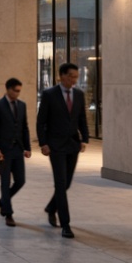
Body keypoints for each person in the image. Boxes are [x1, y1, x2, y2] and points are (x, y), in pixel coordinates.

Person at [36, 62, 90, 238]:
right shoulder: (49, 95)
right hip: (55, 146)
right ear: (61, 76)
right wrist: (43, 143)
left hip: (73, 145)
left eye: (76, 77)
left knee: (66, 183)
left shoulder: (79, 95)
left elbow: (82, 118)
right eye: (71, 76)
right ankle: (66, 224)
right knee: (60, 183)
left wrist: (85, 139)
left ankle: (51, 207)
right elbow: (41, 121)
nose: (74, 80)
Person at [0, 78, 32, 227]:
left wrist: (27, 148)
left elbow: (24, 127)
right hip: (4, 151)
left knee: (20, 181)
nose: (18, 94)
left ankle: (2, 202)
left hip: (18, 150)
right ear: (8, 89)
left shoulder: (22, 106)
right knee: (5, 182)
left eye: (19, 91)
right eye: (15, 90)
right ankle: (8, 213)